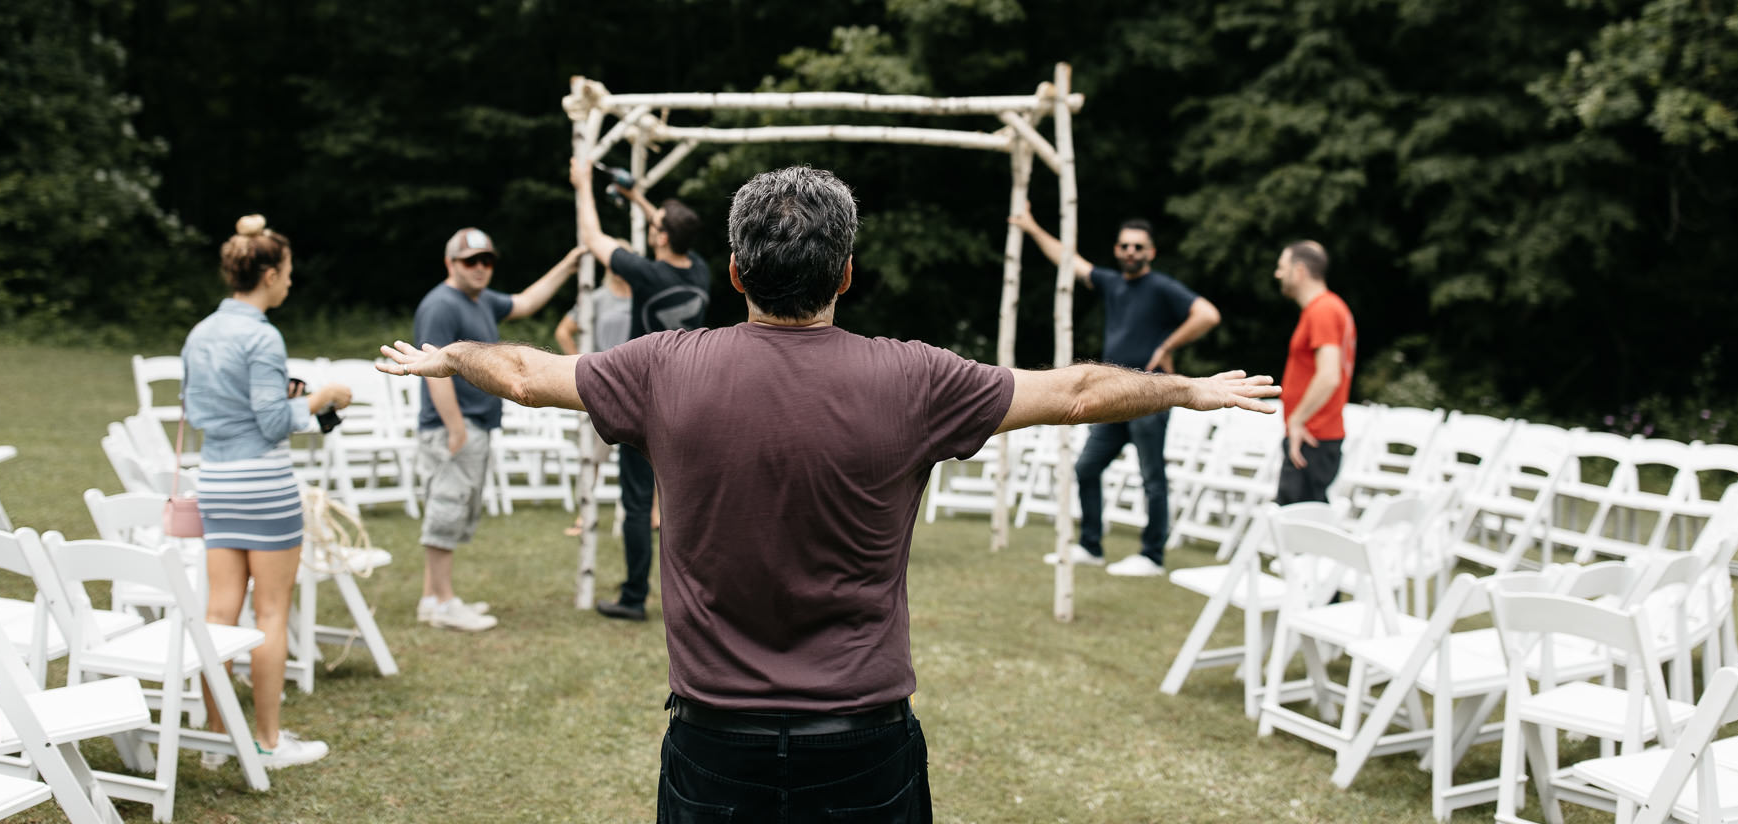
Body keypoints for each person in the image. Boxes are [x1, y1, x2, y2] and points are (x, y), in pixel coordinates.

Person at [377, 166, 1276, 822]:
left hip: (712, 742)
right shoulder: (917, 379)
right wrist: (1187, 388)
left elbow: (529, 374)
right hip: (864, 743)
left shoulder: (660, 369)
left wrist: (452, 354)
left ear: (732, 272)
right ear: (846, 273)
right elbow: (1077, 391)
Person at [181, 214, 350, 768]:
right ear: (270, 274)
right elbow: (275, 422)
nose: (292, 282)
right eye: (289, 272)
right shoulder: (261, 335)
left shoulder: (200, 332)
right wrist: (324, 397)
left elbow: (202, 408)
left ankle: (215, 735)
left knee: (219, 611)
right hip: (263, 485)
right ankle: (269, 741)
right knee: (272, 613)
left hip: (215, 482)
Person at [1011, 208, 1221, 575]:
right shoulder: (1112, 283)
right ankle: (1091, 546)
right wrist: (1031, 226)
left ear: (1151, 252)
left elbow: (1207, 314)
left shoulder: (1161, 287)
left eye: (1138, 246)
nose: (1130, 251)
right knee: (1087, 468)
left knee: (1152, 477)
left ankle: (1152, 556)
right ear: (1116, 249)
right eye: (1124, 245)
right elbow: (1069, 261)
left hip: (1151, 397)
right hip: (1112, 398)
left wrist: (1167, 346)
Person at [413, 227, 580, 632]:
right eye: (471, 261)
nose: (481, 268)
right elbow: (432, 368)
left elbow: (526, 302)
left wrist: (569, 264)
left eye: (487, 260)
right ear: (450, 263)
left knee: (454, 511)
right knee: (447, 511)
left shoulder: (483, 301)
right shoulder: (440, 305)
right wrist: (455, 428)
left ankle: (433, 598)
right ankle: (442, 602)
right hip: (455, 428)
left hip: (473, 427)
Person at [567, 157, 710, 622]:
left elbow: (592, 239)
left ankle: (633, 598)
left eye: (657, 227)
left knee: (635, 503)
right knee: (690, 504)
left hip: (646, 398)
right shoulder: (701, 272)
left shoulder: (647, 275)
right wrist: (637, 199)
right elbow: (668, 227)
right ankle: (700, 597)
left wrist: (584, 184)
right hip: (693, 400)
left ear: (662, 236)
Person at [556, 241, 633, 535]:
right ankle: (584, 515)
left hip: (638, 383)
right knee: (592, 456)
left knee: (650, 457)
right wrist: (581, 366)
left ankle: (653, 516)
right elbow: (563, 330)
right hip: (604, 385)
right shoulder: (597, 298)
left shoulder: (642, 296)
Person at [1273, 239, 1356, 505]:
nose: (1277, 274)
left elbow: (1329, 375)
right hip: (1314, 436)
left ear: (1299, 270)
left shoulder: (1323, 310)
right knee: (1305, 524)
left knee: (1295, 529)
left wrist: (1297, 421)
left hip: (1311, 436)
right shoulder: (1327, 308)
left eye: (1281, 267)